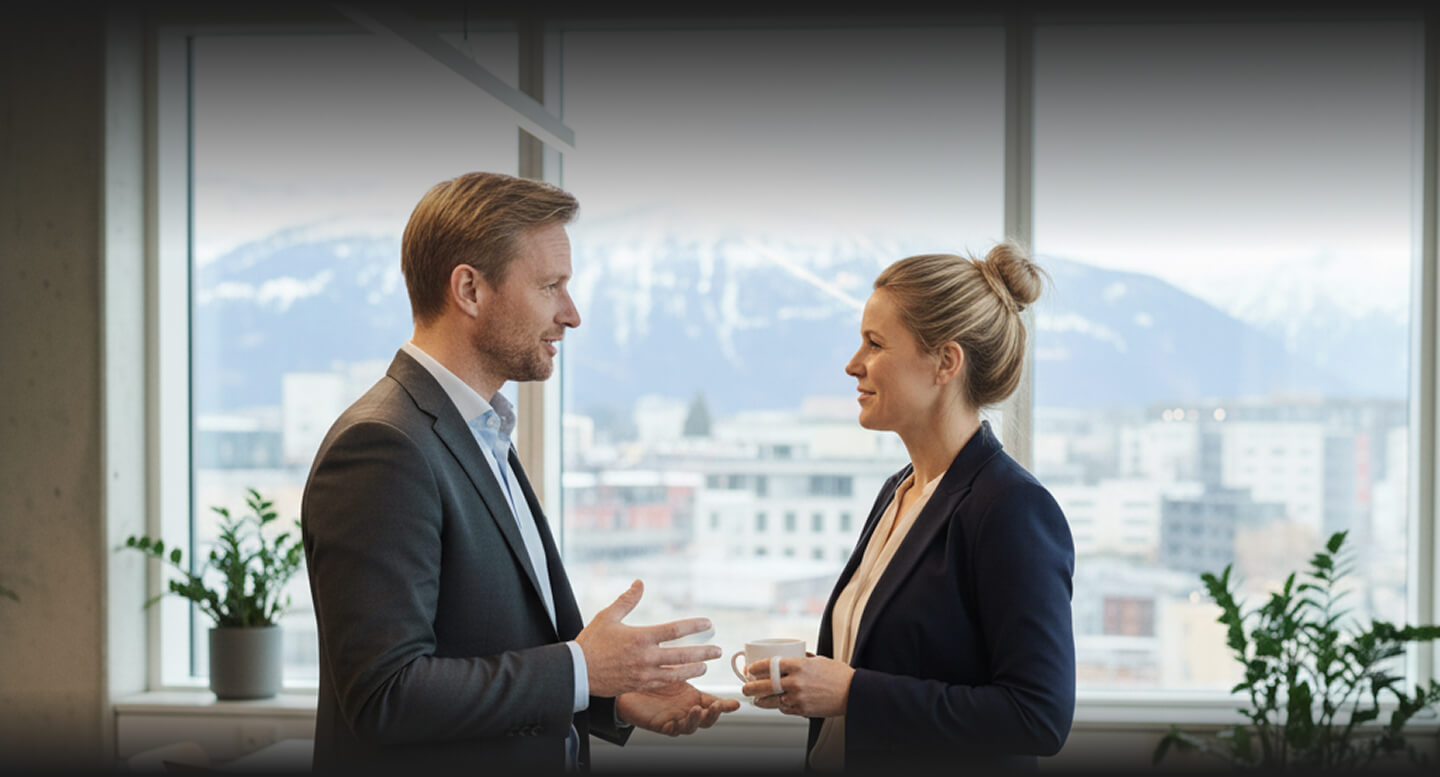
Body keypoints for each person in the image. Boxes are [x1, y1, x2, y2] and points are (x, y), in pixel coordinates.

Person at [301, 171, 739, 775]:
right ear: (470, 290)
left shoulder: (480, 432)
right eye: (551, 286)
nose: (572, 315)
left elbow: (494, 646)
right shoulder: (383, 447)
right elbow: (386, 695)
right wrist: (582, 669)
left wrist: (608, 692)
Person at [740, 243, 1076, 773]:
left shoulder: (1010, 508)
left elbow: (1038, 715)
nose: (853, 365)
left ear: (945, 361)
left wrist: (853, 692)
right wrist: (820, 683)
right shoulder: (899, 491)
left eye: (874, 344)